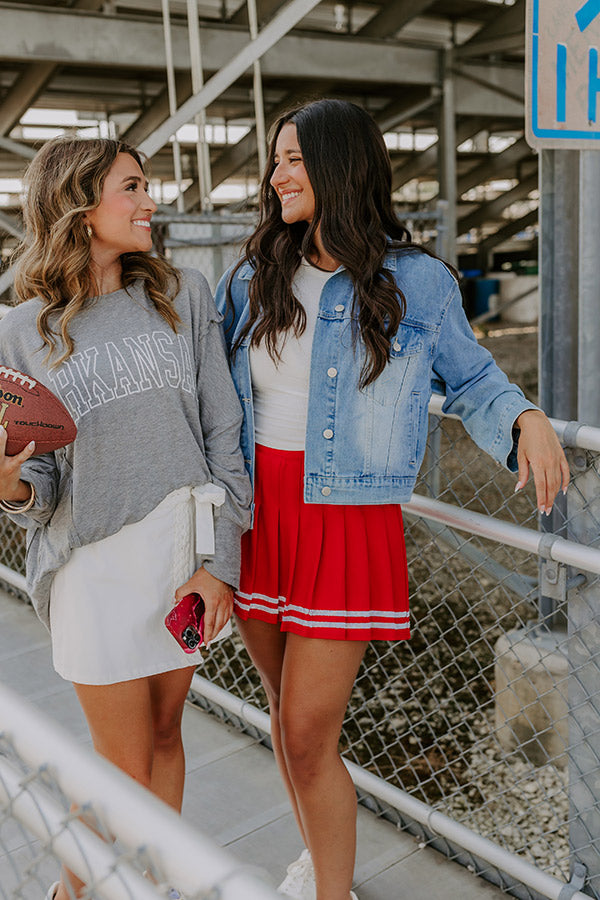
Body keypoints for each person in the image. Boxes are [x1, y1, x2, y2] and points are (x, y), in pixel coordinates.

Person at [214, 98, 570, 900]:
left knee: (308, 732)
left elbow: (473, 377)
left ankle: (331, 893)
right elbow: (207, 394)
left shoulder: (417, 283)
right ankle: (319, 856)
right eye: (275, 161)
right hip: (255, 515)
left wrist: (523, 414)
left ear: (342, 167)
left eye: (294, 160)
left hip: (343, 519)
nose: (277, 177)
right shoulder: (251, 277)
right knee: (281, 718)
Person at [0, 137, 251, 900]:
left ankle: (147, 888)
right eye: (132, 188)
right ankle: (77, 893)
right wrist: (7, 485)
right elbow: (35, 487)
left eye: (147, 186)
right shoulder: (19, 330)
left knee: (168, 737)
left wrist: (221, 564)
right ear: (78, 207)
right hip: (91, 566)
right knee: (119, 765)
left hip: (183, 554)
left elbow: (222, 437)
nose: (151, 202)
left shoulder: (185, 293)